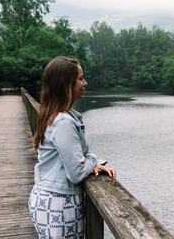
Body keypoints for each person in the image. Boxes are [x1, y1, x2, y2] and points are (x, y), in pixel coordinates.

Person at [28, 56, 116, 238]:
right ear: (66, 83)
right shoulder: (63, 123)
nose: (85, 82)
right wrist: (92, 160)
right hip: (59, 204)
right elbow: (76, 173)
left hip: (51, 199)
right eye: (80, 78)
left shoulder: (57, 115)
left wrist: (90, 163)